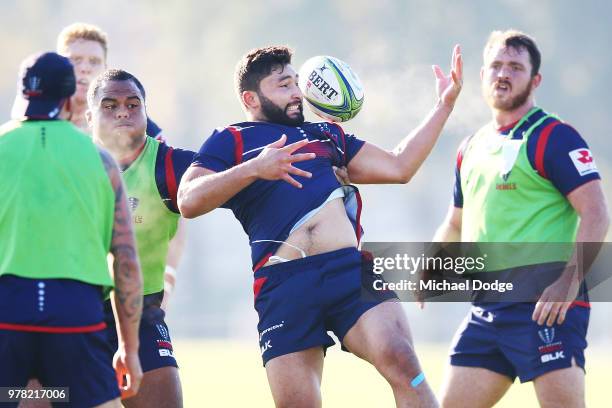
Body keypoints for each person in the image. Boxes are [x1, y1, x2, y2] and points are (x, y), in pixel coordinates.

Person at [178, 45, 463, 407]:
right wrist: (254, 169)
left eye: (296, 83)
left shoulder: (328, 135)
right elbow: (188, 199)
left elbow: (399, 166)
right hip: (283, 285)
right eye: (283, 85)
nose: (297, 93)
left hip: (347, 271)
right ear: (251, 98)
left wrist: (445, 106)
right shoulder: (231, 139)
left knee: (403, 362)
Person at [433, 30, 610, 408]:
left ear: (535, 80)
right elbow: (455, 222)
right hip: (487, 306)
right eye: (496, 65)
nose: (503, 74)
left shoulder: (555, 137)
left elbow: (596, 211)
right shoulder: (471, 146)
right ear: (482, 76)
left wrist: (571, 279)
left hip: (548, 305)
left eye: (515, 67)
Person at [0, 52, 143, 408]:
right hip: (75, 317)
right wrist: (129, 349)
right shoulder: (102, 161)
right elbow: (125, 259)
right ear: (70, 100)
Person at [87, 69, 194, 408]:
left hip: (142, 312)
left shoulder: (169, 163)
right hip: (74, 313)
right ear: (89, 116)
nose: (123, 112)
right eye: (110, 105)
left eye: (133, 105)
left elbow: (235, 174)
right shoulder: (69, 164)